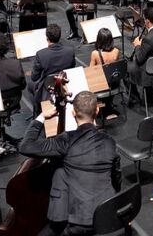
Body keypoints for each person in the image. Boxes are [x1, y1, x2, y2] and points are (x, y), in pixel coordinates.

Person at [19, 91, 121, 236]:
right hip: (107, 217)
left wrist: (41, 117)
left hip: (79, 223)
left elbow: (26, 146)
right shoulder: (109, 142)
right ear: (97, 110)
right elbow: (117, 178)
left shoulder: (66, 140)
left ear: (73, 113)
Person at [31, 24, 76, 110]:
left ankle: (38, 110)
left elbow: (34, 77)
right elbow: (72, 69)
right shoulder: (70, 51)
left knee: (30, 86)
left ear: (47, 38)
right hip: (64, 85)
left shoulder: (41, 54)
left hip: (47, 88)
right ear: (59, 36)